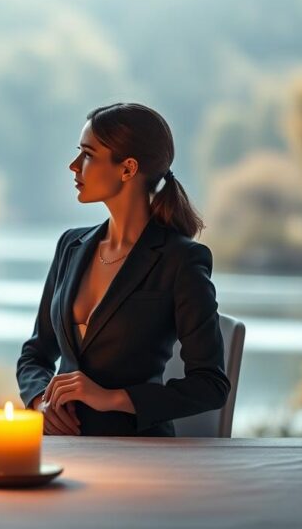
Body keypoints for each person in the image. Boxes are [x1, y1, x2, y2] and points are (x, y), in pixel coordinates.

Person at [16, 103, 230, 436]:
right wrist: (39, 402)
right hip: (60, 446)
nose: (74, 166)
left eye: (88, 154)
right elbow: (35, 354)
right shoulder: (70, 246)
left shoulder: (181, 260)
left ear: (128, 169)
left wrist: (111, 398)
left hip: (138, 449)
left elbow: (210, 385)